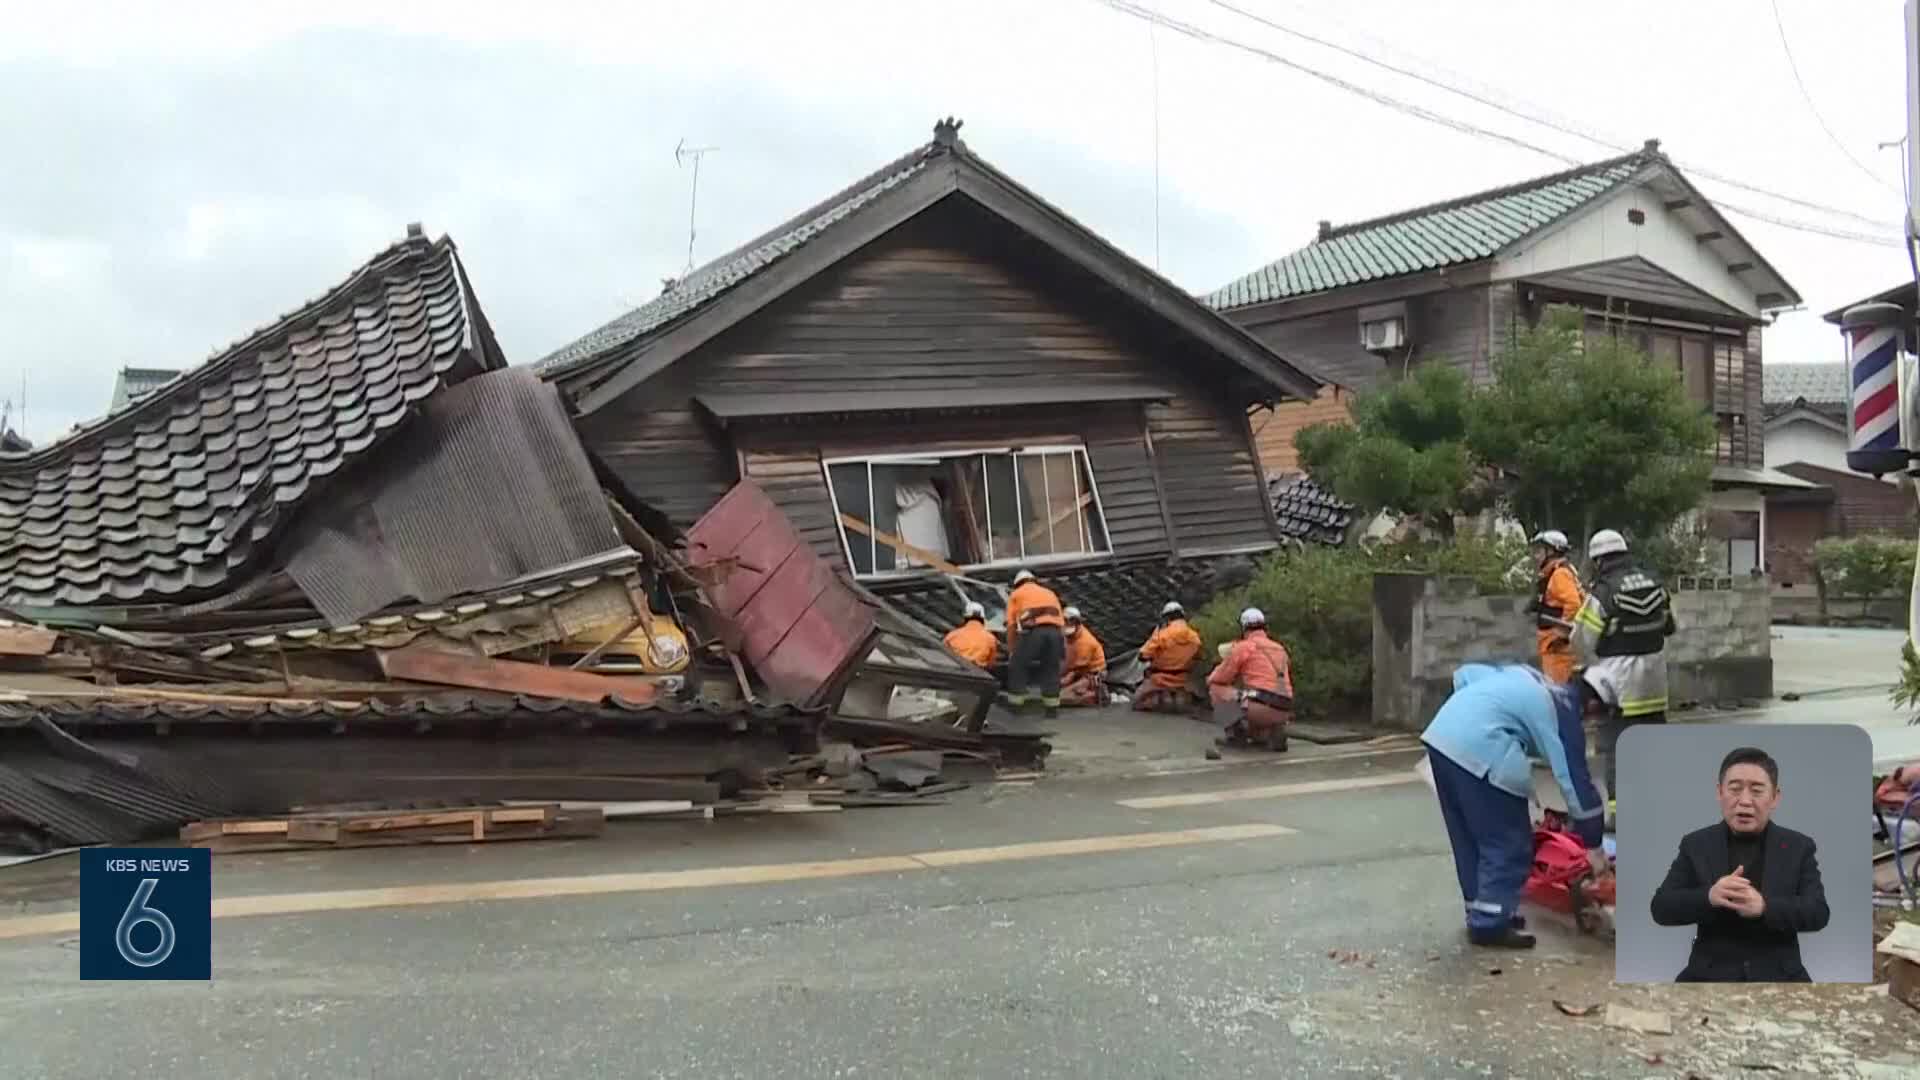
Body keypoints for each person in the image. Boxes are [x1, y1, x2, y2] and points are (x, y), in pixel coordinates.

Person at [1420, 664, 1608, 949]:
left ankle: (1482, 910)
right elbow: (1575, 781)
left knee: (1469, 836)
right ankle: (1490, 924)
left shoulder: (1529, 677)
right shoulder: (1565, 709)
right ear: (1592, 704)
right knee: (1507, 840)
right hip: (1482, 749)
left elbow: (1464, 674)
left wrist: (1470, 718)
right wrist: (1593, 845)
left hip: (1441, 739)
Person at [1650, 747, 1829, 982]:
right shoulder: (1696, 844)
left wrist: (1765, 907)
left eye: (1756, 791)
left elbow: (1818, 912)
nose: (1744, 801)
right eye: (1734, 789)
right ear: (1719, 792)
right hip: (1709, 973)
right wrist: (1709, 896)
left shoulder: (1798, 846)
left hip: (1781, 974)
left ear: (1775, 797)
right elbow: (1661, 907)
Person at [1571, 528, 1675, 802]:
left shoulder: (1603, 593)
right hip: (1655, 683)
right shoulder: (1654, 583)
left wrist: (1591, 667)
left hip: (1620, 685)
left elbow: (1582, 640)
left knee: (1618, 747)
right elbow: (1668, 627)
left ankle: (1620, 813)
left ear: (1598, 561)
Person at [1207, 607, 1294, 752]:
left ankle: (1235, 735)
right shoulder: (1279, 648)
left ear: (1243, 627)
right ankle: (1267, 732)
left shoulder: (1244, 647)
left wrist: (1211, 677)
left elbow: (1221, 677)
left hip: (1259, 706)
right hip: (1285, 706)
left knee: (1216, 688)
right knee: (1252, 695)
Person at [1003, 569, 1067, 717]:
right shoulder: (1049, 593)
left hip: (1033, 633)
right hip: (1055, 632)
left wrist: (1012, 648)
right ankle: (1051, 709)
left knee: (1018, 666)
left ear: (1017, 583)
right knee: (1051, 668)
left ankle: (1016, 707)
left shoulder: (1016, 594)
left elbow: (1012, 625)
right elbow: (1061, 622)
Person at [1525, 529, 1582, 684]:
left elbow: (1574, 604)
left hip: (1558, 649)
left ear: (1552, 551)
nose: (1536, 556)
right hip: (1552, 646)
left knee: (1558, 691)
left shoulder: (1559, 574)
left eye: (1539, 551)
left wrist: (1560, 635)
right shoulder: (1555, 572)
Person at [1133, 601, 1203, 713]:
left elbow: (1142, 656)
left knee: (1136, 702)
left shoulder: (1161, 635)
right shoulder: (1194, 637)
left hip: (1159, 678)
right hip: (1183, 679)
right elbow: (1198, 657)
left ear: (1167, 617)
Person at [1058, 607, 1109, 707]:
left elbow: (1076, 668)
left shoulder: (1085, 642)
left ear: (1077, 624)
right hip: (1076, 670)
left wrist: (1064, 680)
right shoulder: (1066, 634)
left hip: (1090, 674)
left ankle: (1095, 695)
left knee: (1060, 698)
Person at [943, 601, 998, 669]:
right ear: (983, 619)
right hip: (978, 675)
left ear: (965, 618)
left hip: (953, 673)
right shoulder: (991, 639)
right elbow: (991, 664)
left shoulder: (952, 635)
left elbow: (942, 655)